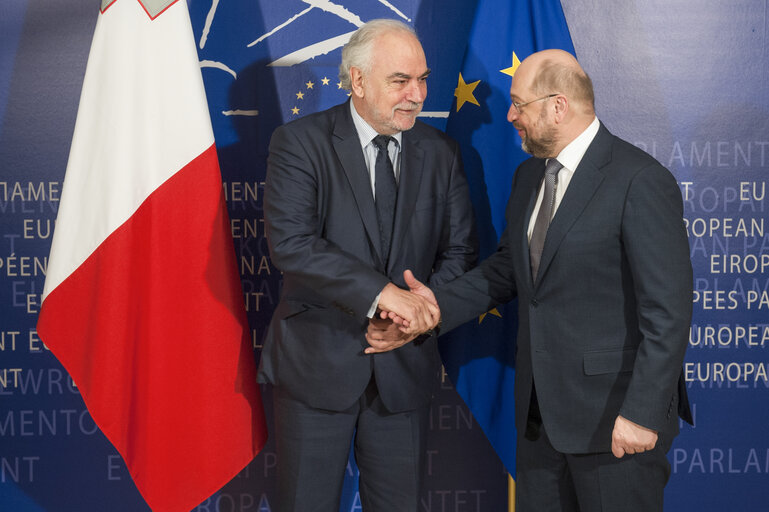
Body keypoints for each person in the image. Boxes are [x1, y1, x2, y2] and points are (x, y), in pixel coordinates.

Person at [369, 49, 693, 511]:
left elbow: (669, 312)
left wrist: (641, 414)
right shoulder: (528, 177)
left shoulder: (638, 180)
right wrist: (432, 309)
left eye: (519, 104)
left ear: (558, 106)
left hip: (615, 423)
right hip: (540, 424)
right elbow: (507, 271)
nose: (509, 115)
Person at [258, 19, 478, 512]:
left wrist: (418, 315)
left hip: (404, 370)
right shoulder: (300, 143)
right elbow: (292, 244)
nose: (416, 94)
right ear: (357, 81)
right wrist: (385, 295)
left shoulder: (441, 154)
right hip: (317, 367)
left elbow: (461, 254)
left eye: (422, 79)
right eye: (400, 80)